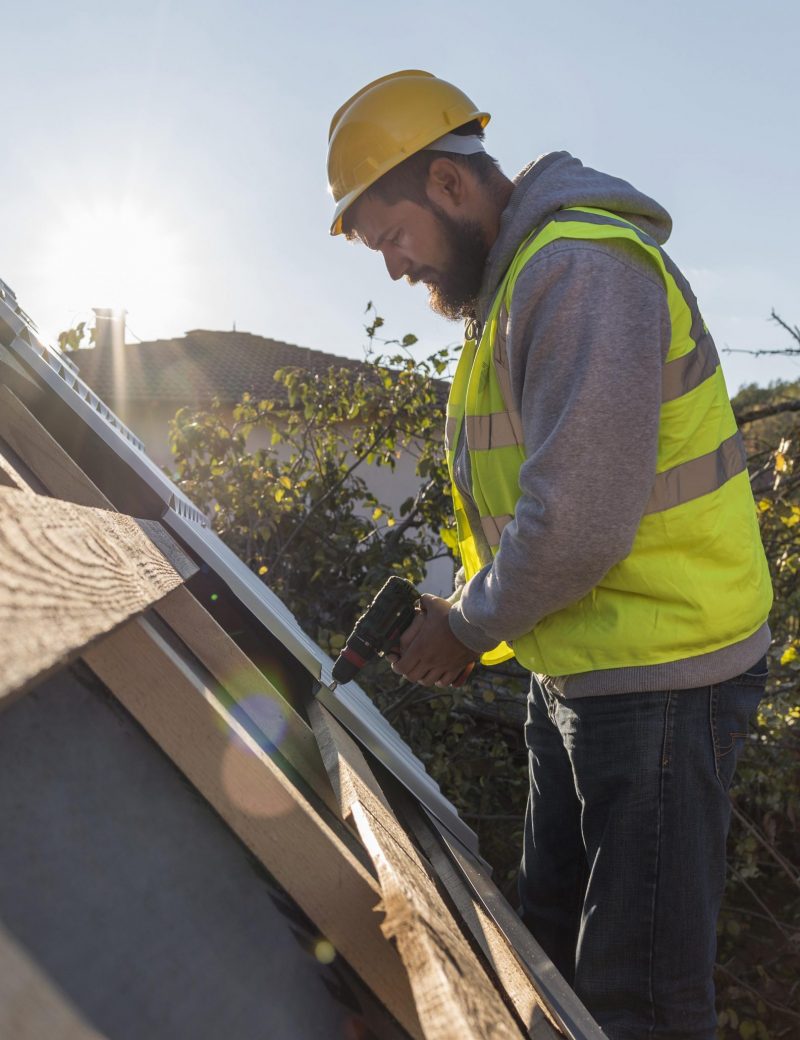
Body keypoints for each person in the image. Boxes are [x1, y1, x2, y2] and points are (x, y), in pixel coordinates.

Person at [327, 70, 773, 1040]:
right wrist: (465, 618)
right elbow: (525, 512)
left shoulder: (578, 272)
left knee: (636, 1001)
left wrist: (466, 629)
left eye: (392, 236)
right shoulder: (516, 289)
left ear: (448, 183)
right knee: (549, 955)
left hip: (664, 675)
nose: (395, 269)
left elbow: (575, 522)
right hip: (580, 670)